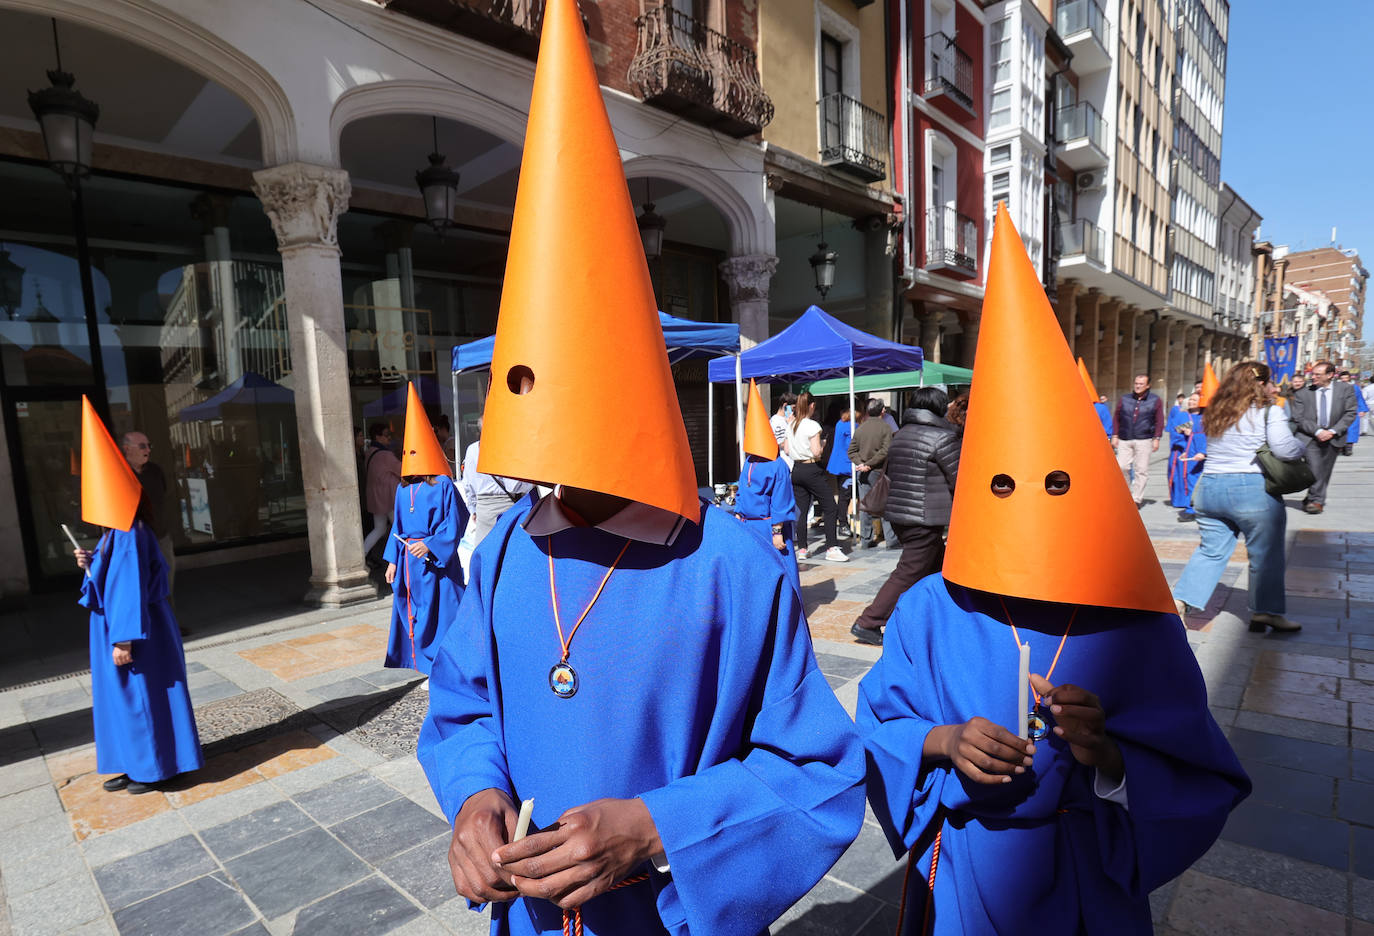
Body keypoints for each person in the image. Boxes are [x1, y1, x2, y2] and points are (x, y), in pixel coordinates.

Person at [416, 7, 866, 934]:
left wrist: (658, 829)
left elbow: (818, 774)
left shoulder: (729, 565)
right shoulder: (504, 551)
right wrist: (471, 799)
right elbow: (464, 710)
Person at [857, 207, 1249, 936]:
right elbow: (879, 723)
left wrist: (1108, 753)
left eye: (1055, 483)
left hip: (1087, 877)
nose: (1027, 503)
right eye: (1002, 483)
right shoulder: (929, 609)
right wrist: (943, 742)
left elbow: (1198, 770)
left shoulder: (1136, 619)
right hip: (965, 875)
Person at [74, 397, 202, 795]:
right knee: (129, 699)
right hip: (132, 622)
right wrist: (90, 561)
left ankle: (156, 767)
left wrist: (123, 637)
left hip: (135, 626)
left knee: (142, 695)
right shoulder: (118, 530)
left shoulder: (128, 530)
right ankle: (137, 763)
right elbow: (113, 573)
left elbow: (128, 584)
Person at [1172, 362, 1306, 631]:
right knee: (1266, 554)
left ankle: (1180, 600)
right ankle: (1265, 612)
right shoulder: (1269, 412)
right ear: (1262, 383)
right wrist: (1301, 445)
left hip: (1210, 488)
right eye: (1269, 382)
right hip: (1251, 488)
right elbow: (1285, 450)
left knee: (1210, 551)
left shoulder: (1215, 412)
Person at [849, 387, 959, 646]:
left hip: (899, 514)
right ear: (939, 408)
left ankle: (935, 619)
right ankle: (868, 622)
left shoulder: (900, 435)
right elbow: (960, 479)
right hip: (924, 518)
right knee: (908, 571)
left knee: (938, 568)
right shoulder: (943, 438)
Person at [383, 384, 468, 681]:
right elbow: (397, 527)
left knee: (443, 614)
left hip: (435, 563)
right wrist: (393, 560)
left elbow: (457, 518)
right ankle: (426, 667)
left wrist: (431, 545)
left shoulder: (442, 485)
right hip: (410, 565)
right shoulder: (402, 489)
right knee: (415, 614)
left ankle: (447, 668)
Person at [734, 379, 801, 593]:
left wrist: (777, 531)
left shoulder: (777, 465)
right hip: (750, 526)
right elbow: (743, 489)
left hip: (769, 526)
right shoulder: (751, 461)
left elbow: (781, 500)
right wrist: (738, 513)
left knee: (782, 575)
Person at [1287, 360, 1359, 514]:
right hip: (1310, 437)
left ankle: (1312, 497)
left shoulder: (1345, 389)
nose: (1313, 377)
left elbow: (1350, 412)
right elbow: (1298, 418)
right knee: (1315, 468)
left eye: (1318, 375)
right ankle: (1317, 501)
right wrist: (1318, 431)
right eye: (1312, 374)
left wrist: (1333, 431)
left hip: (1334, 436)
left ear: (1330, 375)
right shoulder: (1303, 393)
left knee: (1325, 470)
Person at [791, 391, 848, 562]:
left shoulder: (792, 424)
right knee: (830, 506)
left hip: (796, 469)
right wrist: (822, 444)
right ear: (812, 405)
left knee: (801, 510)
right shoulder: (812, 425)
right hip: (811, 468)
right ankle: (831, 547)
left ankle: (802, 549)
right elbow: (816, 452)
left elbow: (786, 449)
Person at [460, 417, 534, 545]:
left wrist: (474, 509)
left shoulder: (472, 449)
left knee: (485, 549)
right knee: (507, 550)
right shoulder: (503, 448)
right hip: (507, 506)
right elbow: (514, 486)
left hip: (483, 509)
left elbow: (468, 484)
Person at [120, 431, 175, 601]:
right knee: (141, 587)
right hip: (135, 541)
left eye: (149, 446)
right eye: (142, 446)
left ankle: (169, 626)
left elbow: (164, 494)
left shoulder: (155, 470)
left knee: (166, 583)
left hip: (160, 537)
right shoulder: (119, 473)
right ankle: (148, 627)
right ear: (127, 449)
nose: (148, 450)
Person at [1112, 373, 1164, 506]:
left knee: (1141, 469)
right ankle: (1125, 494)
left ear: (1148, 386)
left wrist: (1157, 437)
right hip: (1125, 438)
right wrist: (1115, 435)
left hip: (1144, 439)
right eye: (1136, 383)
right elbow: (1117, 418)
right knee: (1121, 466)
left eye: (1141, 384)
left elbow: (1159, 420)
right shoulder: (1125, 399)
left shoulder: (1155, 400)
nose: (1138, 386)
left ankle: (1136, 498)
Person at [849, 398, 895, 549]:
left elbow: (851, 451)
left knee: (865, 506)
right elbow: (885, 451)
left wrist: (861, 464)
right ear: (882, 411)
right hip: (879, 471)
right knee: (885, 505)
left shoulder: (860, 428)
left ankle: (866, 539)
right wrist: (868, 465)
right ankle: (891, 539)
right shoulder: (886, 428)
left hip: (863, 472)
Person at [362, 421, 402, 564]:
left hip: (375, 497)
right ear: (378, 437)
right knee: (399, 528)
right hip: (389, 497)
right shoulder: (385, 454)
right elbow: (401, 470)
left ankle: (362, 555)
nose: (389, 438)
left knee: (379, 529)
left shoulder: (370, 452)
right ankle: (396, 559)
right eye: (386, 435)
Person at [1167, 392, 1207, 521]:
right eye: (1190, 400)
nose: (1191, 402)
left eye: (1194, 400)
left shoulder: (1205, 417)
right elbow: (1176, 432)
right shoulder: (1185, 417)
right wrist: (1185, 443)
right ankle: (1191, 509)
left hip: (1206, 452)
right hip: (1191, 452)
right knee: (1190, 478)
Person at [824, 402, 854, 538]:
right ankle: (843, 523)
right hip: (846, 465)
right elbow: (852, 447)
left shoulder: (840, 423)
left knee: (842, 494)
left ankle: (842, 522)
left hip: (838, 464)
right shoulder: (852, 426)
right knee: (845, 495)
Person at [1340, 371, 1368, 455]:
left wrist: (1362, 410)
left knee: (1352, 429)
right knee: (1340, 429)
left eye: (1346, 378)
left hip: (1353, 411)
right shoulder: (1337, 388)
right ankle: (1341, 446)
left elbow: (1360, 399)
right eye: (1342, 378)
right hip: (1340, 411)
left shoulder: (1355, 387)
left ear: (1349, 378)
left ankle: (1349, 448)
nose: (1344, 380)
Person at [770, 391, 798, 470]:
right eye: (793, 408)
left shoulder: (788, 419)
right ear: (785, 405)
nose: (794, 411)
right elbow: (779, 443)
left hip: (790, 463)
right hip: (785, 463)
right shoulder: (776, 422)